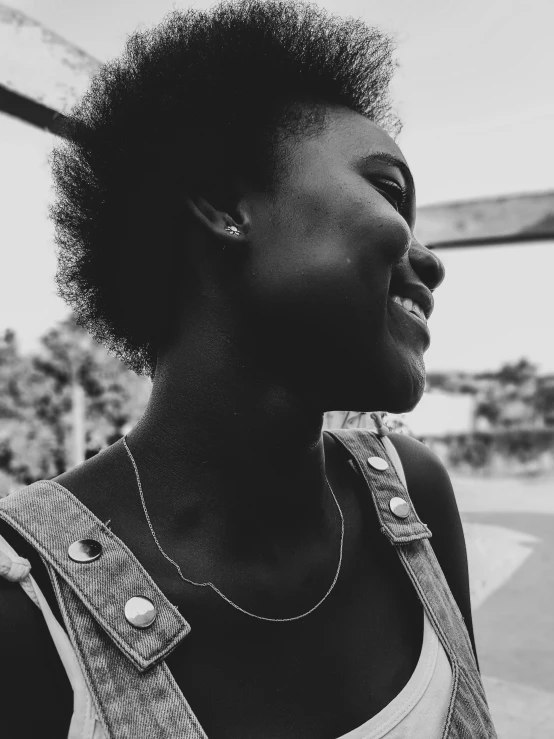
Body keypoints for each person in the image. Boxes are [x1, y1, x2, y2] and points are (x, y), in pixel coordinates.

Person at [0, 1, 498, 737]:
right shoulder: (25, 605)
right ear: (224, 200)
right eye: (390, 191)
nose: (431, 261)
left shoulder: (413, 503)